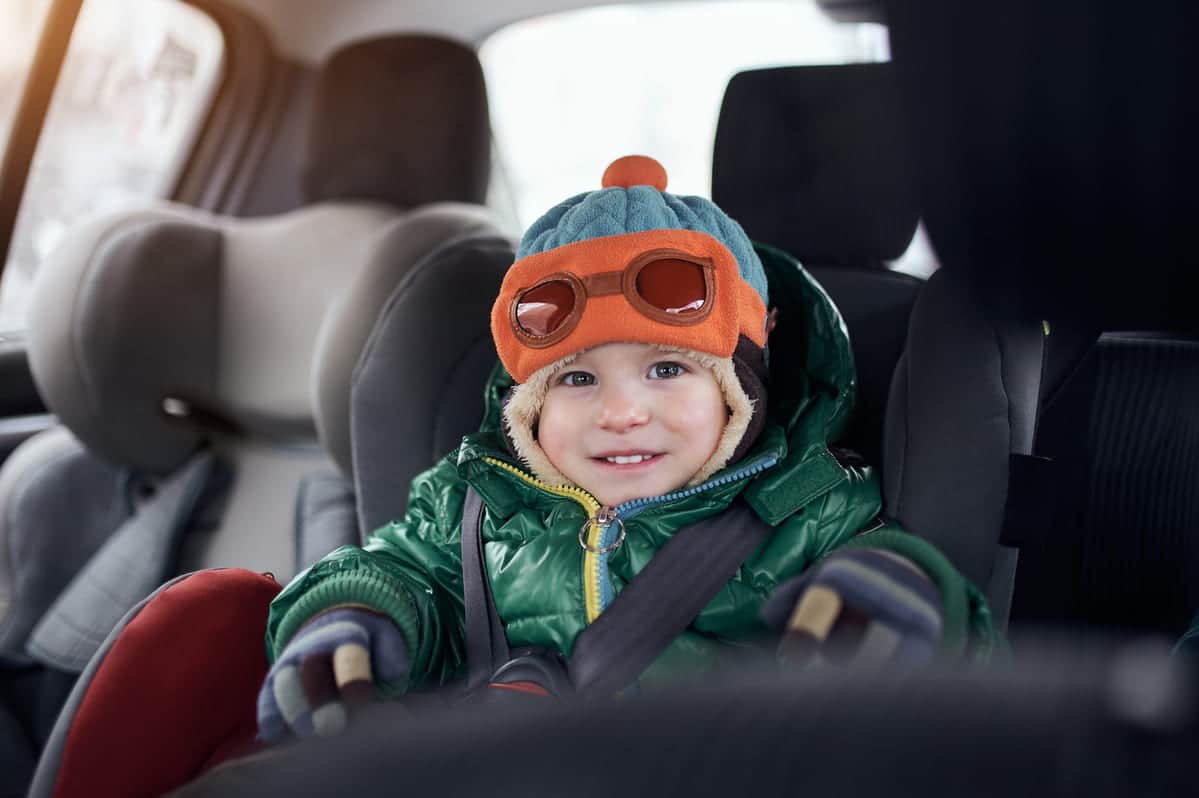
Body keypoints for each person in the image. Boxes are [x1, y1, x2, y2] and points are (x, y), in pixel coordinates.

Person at [256, 155, 997, 741]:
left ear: (740, 390)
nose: (619, 411)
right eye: (575, 378)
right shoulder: (475, 503)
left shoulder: (809, 506)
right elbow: (396, 568)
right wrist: (352, 614)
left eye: (668, 369)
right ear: (529, 406)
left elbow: (939, 646)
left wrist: (904, 601)